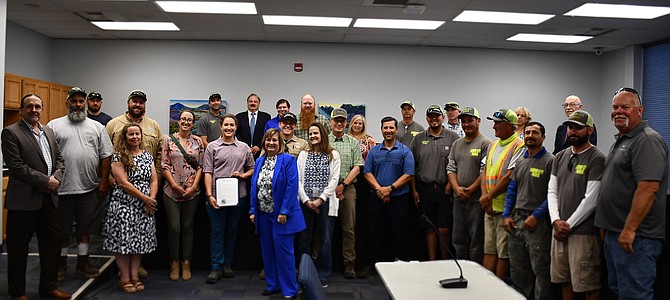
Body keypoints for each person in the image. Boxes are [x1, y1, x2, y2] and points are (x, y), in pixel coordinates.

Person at [595, 87, 668, 299]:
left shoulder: (647, 140)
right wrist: (606, 225)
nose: (619, 111)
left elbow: (648, 188)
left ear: (640, 110)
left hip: (636, 238)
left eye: (625, 107)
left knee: (634, 295)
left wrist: (629, 229)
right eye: (615, 107)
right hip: (615, 233)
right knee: (620, 291)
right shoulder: (624, 139)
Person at [2, 94, 71, 300]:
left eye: (38, 106)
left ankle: (48, 287)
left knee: (51, 246)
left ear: (42, 109)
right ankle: (18, 292)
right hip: (24, 201)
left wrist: (56, 177)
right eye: (29, 106)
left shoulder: (48, 131)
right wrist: (45, 181)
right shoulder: (11, 132)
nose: (34, 110)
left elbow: (59, 159)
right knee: (18, 250)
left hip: (49, 200)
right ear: (22, 109)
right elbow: (16, 167)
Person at [47, 87, 113, 280]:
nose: (77, 104)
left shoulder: (97, 127)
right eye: (73, 101)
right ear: (67, 103)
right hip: (61, 188)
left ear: (85, 104)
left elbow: (106, 156)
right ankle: (61, 264)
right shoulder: (54, 125)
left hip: (89, 188)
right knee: (62, 230)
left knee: (85, 229)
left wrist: (103, 183)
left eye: (80, 101)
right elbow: (46, 155)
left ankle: (83, 263)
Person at [548, 110, 604, 300]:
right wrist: (556, 220)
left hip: (583, 234)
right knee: (565, 280)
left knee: (588, 285)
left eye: (578, 128)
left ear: (589, 130)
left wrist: (568, 225)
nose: (572, 131)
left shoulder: (597, 158)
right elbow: (551, 191)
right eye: (570, 127)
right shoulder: (560, 156)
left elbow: (591, 199)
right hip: (559, 231)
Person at [105, 90, 162, 278]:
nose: (138, 105)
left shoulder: (153, 126)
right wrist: (106, 178)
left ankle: (135, 271)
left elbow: (159, 156)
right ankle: (124, 275)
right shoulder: (113, 124)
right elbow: (105, 154)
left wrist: (151, 198)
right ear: (129, 103)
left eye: (141, 102)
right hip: (123, 198)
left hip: (146, 198)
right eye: (134, 102)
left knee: (140, 238)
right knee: (123, 238)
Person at [250, 129, 305, 299]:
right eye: (268, 140)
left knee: (284, 253)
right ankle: (272, 284)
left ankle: (289, 290)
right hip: (263, 214)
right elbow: (254, 186)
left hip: (282, 216)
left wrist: (284, 211)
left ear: (280, 143)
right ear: (264, 143)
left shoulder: (288, 160)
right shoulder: (259, 161)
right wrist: (253, 210)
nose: (271, 143)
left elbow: (292, 186)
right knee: (267, 251)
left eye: (274, 140)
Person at [104, 123, 158, 294]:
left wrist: (151, 200)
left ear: (141, 136)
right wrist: (145, 199)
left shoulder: (148, 156)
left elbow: (154, 180)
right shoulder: (119, 156)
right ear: (125, 137)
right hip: (124, 206)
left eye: (137, 134)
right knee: (124, 244)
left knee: (139, 244)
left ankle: (135, 276)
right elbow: (123, 183)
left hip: (144, 207)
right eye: (131, 134)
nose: (135, 137)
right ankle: (124, 278)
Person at [502, 121, 554, 299]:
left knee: (541, 272)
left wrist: (537, 216)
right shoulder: (521, 160)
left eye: (535, 133)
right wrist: (507, 214)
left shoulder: (550, 161)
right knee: (518, 271)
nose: (530, 136)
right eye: (528, 132)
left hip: (537, 224)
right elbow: (512, 189)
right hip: (516, 221)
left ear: (543, 137)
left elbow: (553, 195)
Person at [359, 116, 414, 278]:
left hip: (399, 199)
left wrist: (389, 189)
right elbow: (367, 172)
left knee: (399, 233)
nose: (388, 131)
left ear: (396, 130)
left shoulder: (405, 151)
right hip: (376, 198)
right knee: (373, 233)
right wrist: (380, 190)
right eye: (385, 128)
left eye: (391, 128)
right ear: (381, 130)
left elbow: (409, 174)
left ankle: (401, 266)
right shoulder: (374, 150)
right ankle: (371, 265)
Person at [203, 114, 255, 283]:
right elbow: (207, 172)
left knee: (232, 231)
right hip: (217, 197)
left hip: (238, 197)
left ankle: (227, 265)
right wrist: (210, 194)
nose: (229, 128)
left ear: (236, 127)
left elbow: (252, 169)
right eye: (226, 125)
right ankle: (216, 267)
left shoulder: (244, 147)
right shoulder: (212, 147)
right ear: (221, 126)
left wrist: (243, 175)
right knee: (217, 232)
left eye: (232, 125)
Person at [410, 105, 460, 260]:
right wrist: (414, 191)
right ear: (427, 119)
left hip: (445, 189)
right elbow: (412, 166)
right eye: (430, 116)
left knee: (444, 228)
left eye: (437, 116)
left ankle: (444, 261)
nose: (434, 119)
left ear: (442, 118)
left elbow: (458, 164)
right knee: (429, 227)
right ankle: (432, 261)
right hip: (424, 189)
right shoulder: (419, 138)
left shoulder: (453, 138)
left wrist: (451, 185)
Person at [480, 109, 525, 279]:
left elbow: (510, 175)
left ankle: (498, 290)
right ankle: (486, 287)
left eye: (498, 123)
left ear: (509, 126)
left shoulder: (519, 145)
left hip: (505, 208)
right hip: (489, 206)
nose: (494, 126)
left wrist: (488, 197)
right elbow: (484, 171)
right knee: (489, 249)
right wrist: (485, 197)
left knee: (503, 252)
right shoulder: (493, 144)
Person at [161, 110, 204, 281]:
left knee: (187, 228)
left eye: (189, 120)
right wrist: (173, 184)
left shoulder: (198, 141)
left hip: (192, 192)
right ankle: (174, 262)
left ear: (193, 123)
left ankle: (186, 263)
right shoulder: (168, 140)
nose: (186, 122)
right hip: (171, 191)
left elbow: (201, 165)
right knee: (174, 228)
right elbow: (164, 165)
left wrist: (194, 186)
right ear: (178, 122)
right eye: (183, 119)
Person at [298, 122, 341, 288]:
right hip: (306, 203)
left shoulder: (333, 154)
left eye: (316, 133)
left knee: (325, 240)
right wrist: (307, 200)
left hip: (326, 203)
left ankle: (323, 275)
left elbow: (334, 181)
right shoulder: (303, 155)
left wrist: (320, 199)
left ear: (322, 134)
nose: (313, 136)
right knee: (304, 240)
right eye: (310, 134)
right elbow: (299, 181)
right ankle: (304, 274)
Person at [447, 107, 491, 263]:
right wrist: (457, 189)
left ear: (478, 121)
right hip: (458, 199)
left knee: (476, 241)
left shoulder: (486, 144)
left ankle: (475, 274)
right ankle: (460, 271)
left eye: (470, 121)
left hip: (476, 201)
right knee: (458, 239)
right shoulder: (457, 144)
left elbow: (484, 172)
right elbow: (451, 168)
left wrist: (470, 190)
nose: (466, 124)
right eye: (463, 121)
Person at [328, 108, 364, 278]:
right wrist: (333, 187)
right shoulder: (324, 141)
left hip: (347, 189)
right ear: (331, 122)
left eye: (342, 121)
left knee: (349, 228)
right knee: (323, 229)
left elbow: (357, 167)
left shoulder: (353, 143)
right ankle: (319, 263)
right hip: (327, 190)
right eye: (336, 120)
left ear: (346, 123)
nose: (339, 123)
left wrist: (343, 185)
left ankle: (349, 264)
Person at [347, 114, 376, 275]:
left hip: (364, 180)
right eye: (355, 122)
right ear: (351, 124)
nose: (358, 125)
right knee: (349, 223)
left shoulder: (369, 140)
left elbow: (371, 162)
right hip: (348, 180)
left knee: (362, 221)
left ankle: (363, 261)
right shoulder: (345, 138)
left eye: (360, 123)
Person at [236, 93, 271, 158]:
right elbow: (236, 134)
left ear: (259, 104)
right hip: (242, 152)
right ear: (247, 103)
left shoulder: (266, 117)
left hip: (260, 152)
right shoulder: (239, 117)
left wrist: (259, 146)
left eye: (255, 101)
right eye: (250, 101)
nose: (253, 103)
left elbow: (267, 134)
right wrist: (245, 147)